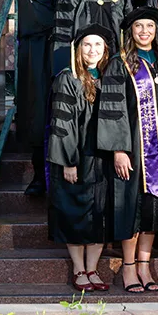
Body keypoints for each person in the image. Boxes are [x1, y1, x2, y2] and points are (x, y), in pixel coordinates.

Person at [97, 6, 158, 293]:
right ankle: (128, 268)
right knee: (131, 208)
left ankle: (145, 265)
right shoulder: (120, 63)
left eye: (150, 27)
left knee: (152, 209)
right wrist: (118, 149)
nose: (144, 32)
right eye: (139, 27)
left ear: (157, 32)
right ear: (131, 32)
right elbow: (113, 108)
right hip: (132, 149)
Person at [18, 0, 85, 196]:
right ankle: (38, 174)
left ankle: (78, 166)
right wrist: (61, 27)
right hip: (44, 40)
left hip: (82, 43)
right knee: (40, 102)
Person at [47, 23, 115, 293]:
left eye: (98, 45)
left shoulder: (109, 77)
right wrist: (68, 161)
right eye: (87, 44)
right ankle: (78, 268)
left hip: (103, 158)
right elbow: (62, 123)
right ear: (78, 49)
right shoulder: (68, 78)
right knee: (74, 212)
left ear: (105, 49)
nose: (93, 50)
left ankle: (92, 268)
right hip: (77, 157)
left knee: (98, 214)